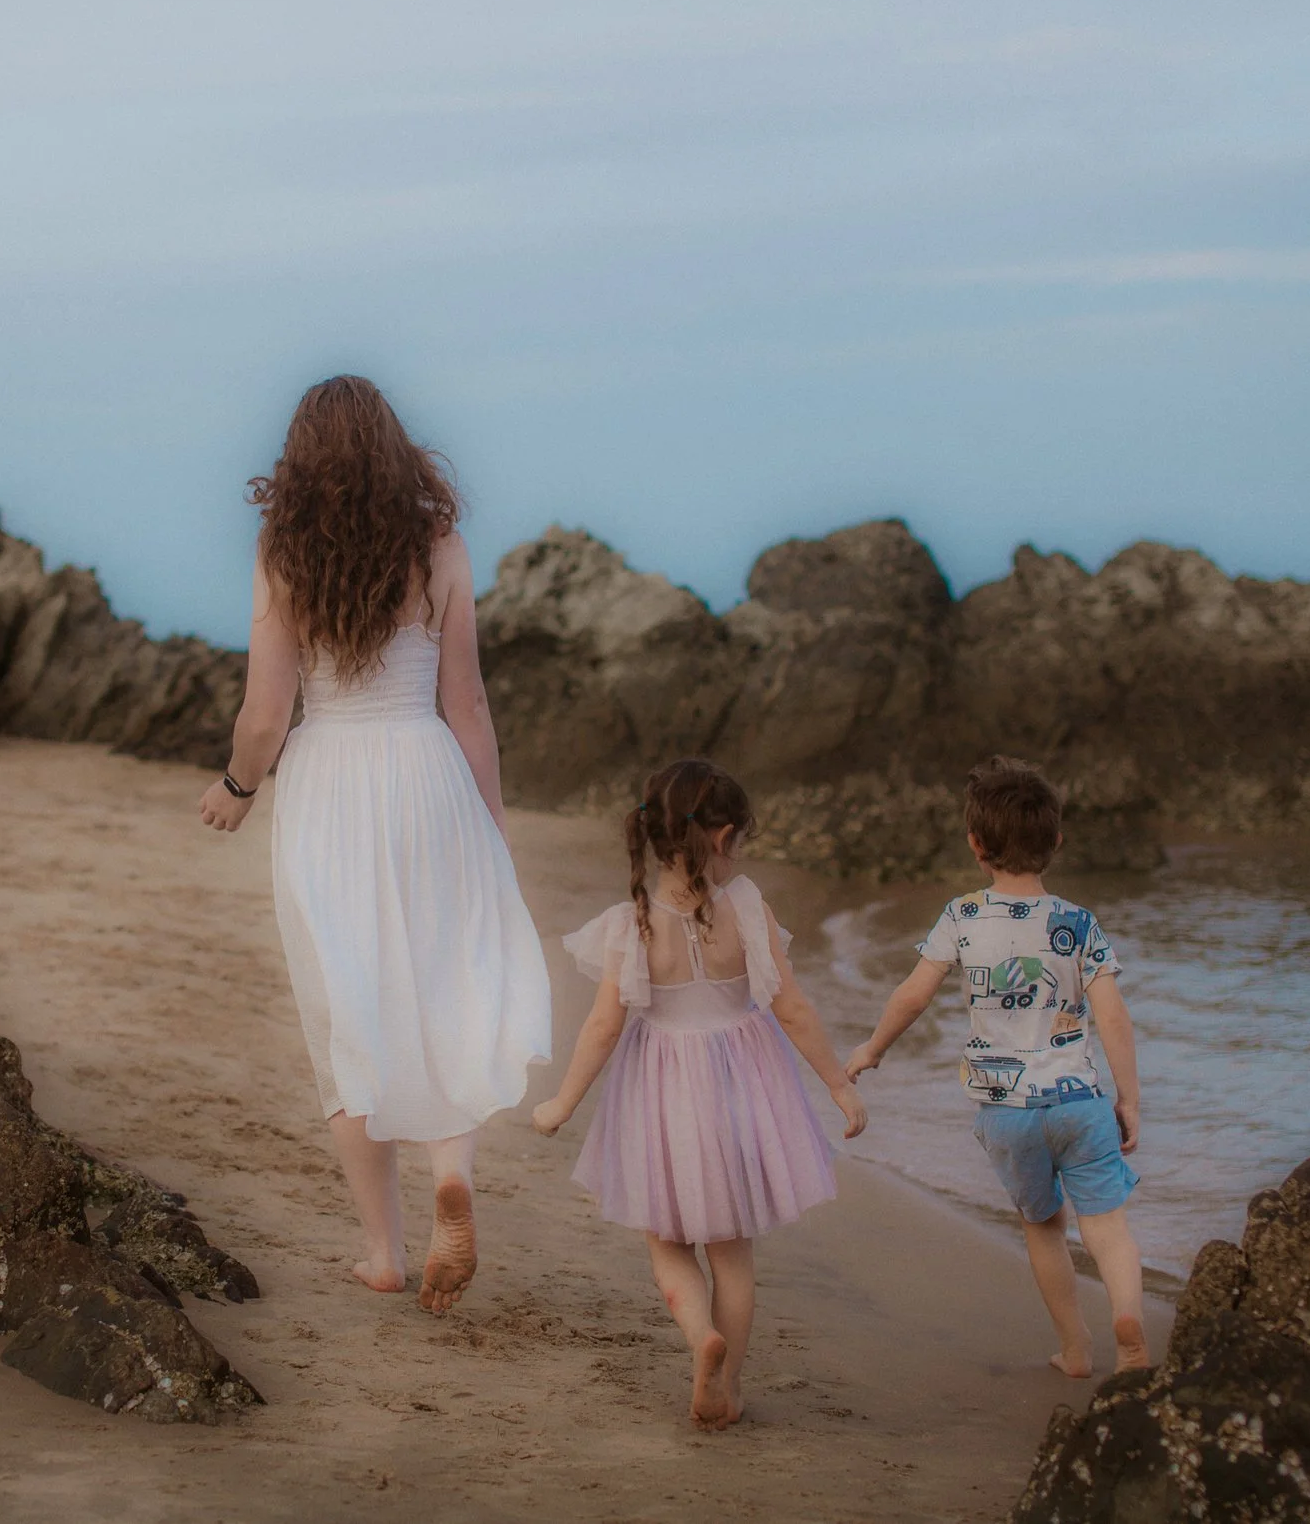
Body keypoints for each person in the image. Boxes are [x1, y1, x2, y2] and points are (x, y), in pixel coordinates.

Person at [197, 373, 551, 1315]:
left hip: (331, 787)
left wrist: (238, 789)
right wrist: (492, 820)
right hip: (429, 772)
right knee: (442, 983)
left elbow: (266, 712)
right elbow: (467, 702)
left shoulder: (284, 552)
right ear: (396, 449)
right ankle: (453, 1172)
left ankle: (384, 1251)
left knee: (349, 1010)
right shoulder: (441, 546)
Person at [531, 759, 865, 1428]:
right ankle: (727, 1382)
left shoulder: (633, 924)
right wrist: (837, 1084)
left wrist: (562, 1101)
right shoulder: (746, 905)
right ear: (724, 838)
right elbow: (792, 1007)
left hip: (662, 1095)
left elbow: (603, 1026)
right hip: (746, 1088)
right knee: (733, 1250)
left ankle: (698, 1337)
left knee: (666, 1237)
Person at [846, 755, 1148, 1377]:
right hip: (1079, 1101)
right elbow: (1113, 1019)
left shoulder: (962, 917)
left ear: (976, 845)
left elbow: (913, 995)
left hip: (1008, 1111)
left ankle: (1074, 1346)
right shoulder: (1078, 923)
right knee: (1107, 1227)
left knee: (1044, 1226)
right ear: (1057, 842)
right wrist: (1129, 1099)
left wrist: (872, 1049)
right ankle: (1128, 1324)